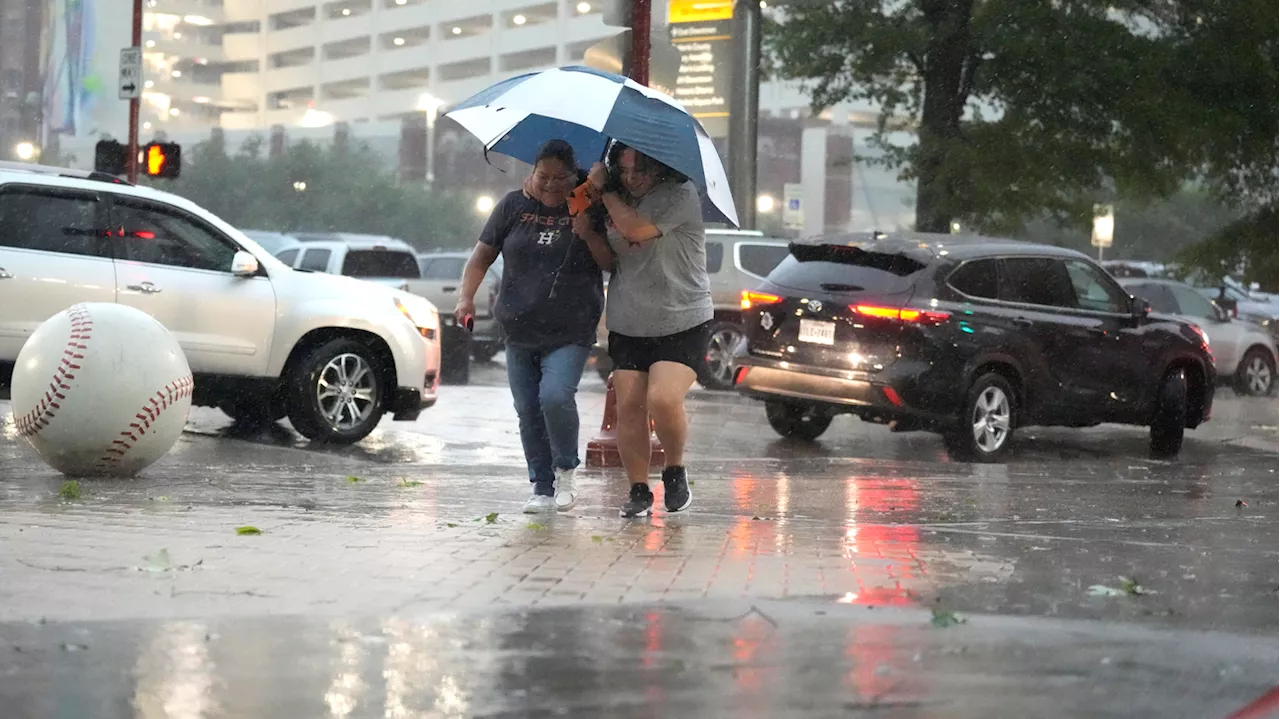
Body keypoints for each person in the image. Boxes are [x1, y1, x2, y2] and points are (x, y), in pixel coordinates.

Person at [454, 140, 614, 513]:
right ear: (532, 173)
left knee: (555, 397)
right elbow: (481, 257)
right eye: (544, 176)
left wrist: (588, 232)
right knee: (527, 408)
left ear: (574, 175)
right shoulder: (513, 206)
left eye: (561, 177)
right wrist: (465, 298)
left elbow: (610, 264)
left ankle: (566, 470)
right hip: (520, 327)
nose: (551, 185)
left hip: (570, 327)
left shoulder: (585, 204)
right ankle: (540, 486)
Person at [574, 143, 711, 518]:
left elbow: (635, 228)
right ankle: (637, 488)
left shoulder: (679, 196)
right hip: (629, 319)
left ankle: (674, 469)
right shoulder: (609, 198)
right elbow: (609, 261)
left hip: (683, 316)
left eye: (642, 171)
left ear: (660, 169)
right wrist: (588, 232)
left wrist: (607, 192)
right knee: (629, 405)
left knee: (663, 398)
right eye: (625, 170)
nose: (633, 178)